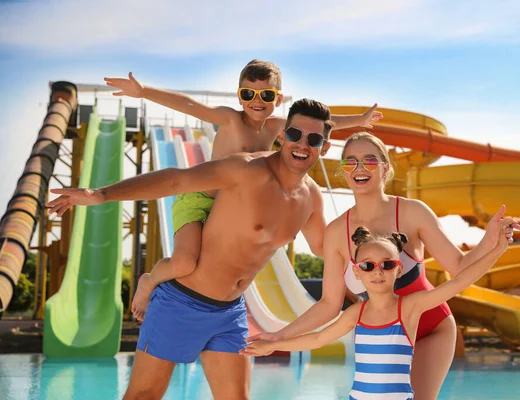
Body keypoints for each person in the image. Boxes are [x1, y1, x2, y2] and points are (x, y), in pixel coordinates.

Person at [46, 99, 335, 400]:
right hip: (180, 303)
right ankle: (153, 279)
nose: (302, 144)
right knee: (143, 396)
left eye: (313, 139)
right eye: (295, 134)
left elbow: (323, 248)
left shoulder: (311, 199)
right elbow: (177, 180)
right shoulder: (246, 170)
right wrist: (101, 194)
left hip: (231, 311)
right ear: (282, 134)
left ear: (324, 148)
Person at [247, 132, 520, 399]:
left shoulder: (413, 212)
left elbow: (460, 268)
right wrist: (279, 336)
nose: (359, 168)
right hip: (384, 336)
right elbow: (329, 305)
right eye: (350, 162)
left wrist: (490, 239)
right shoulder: (336, 232)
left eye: (369, 160)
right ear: (343, 171)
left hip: (431, 328)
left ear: (385, 167)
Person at [102, 59, 382, 320]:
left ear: (279, 99)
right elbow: (190, 106)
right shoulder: (230, 119)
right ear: (239, 96)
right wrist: (143, 91)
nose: (256, 101)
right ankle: (149, 280)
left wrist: (358, 120)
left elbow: (322, 124)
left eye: (266, 95)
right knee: (184, 263)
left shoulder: (279, 126)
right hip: (201, 201)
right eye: (248, 94)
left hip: (235, 211)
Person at [243, 222, 512, 399]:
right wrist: (273, 345)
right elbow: (316, 339)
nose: (378, 271)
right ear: (357, 273)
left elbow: (460, 281)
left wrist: (497, 249)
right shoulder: (356, 313)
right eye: (368, 265)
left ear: (399, 269)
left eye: (387, 264)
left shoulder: (410, 306)